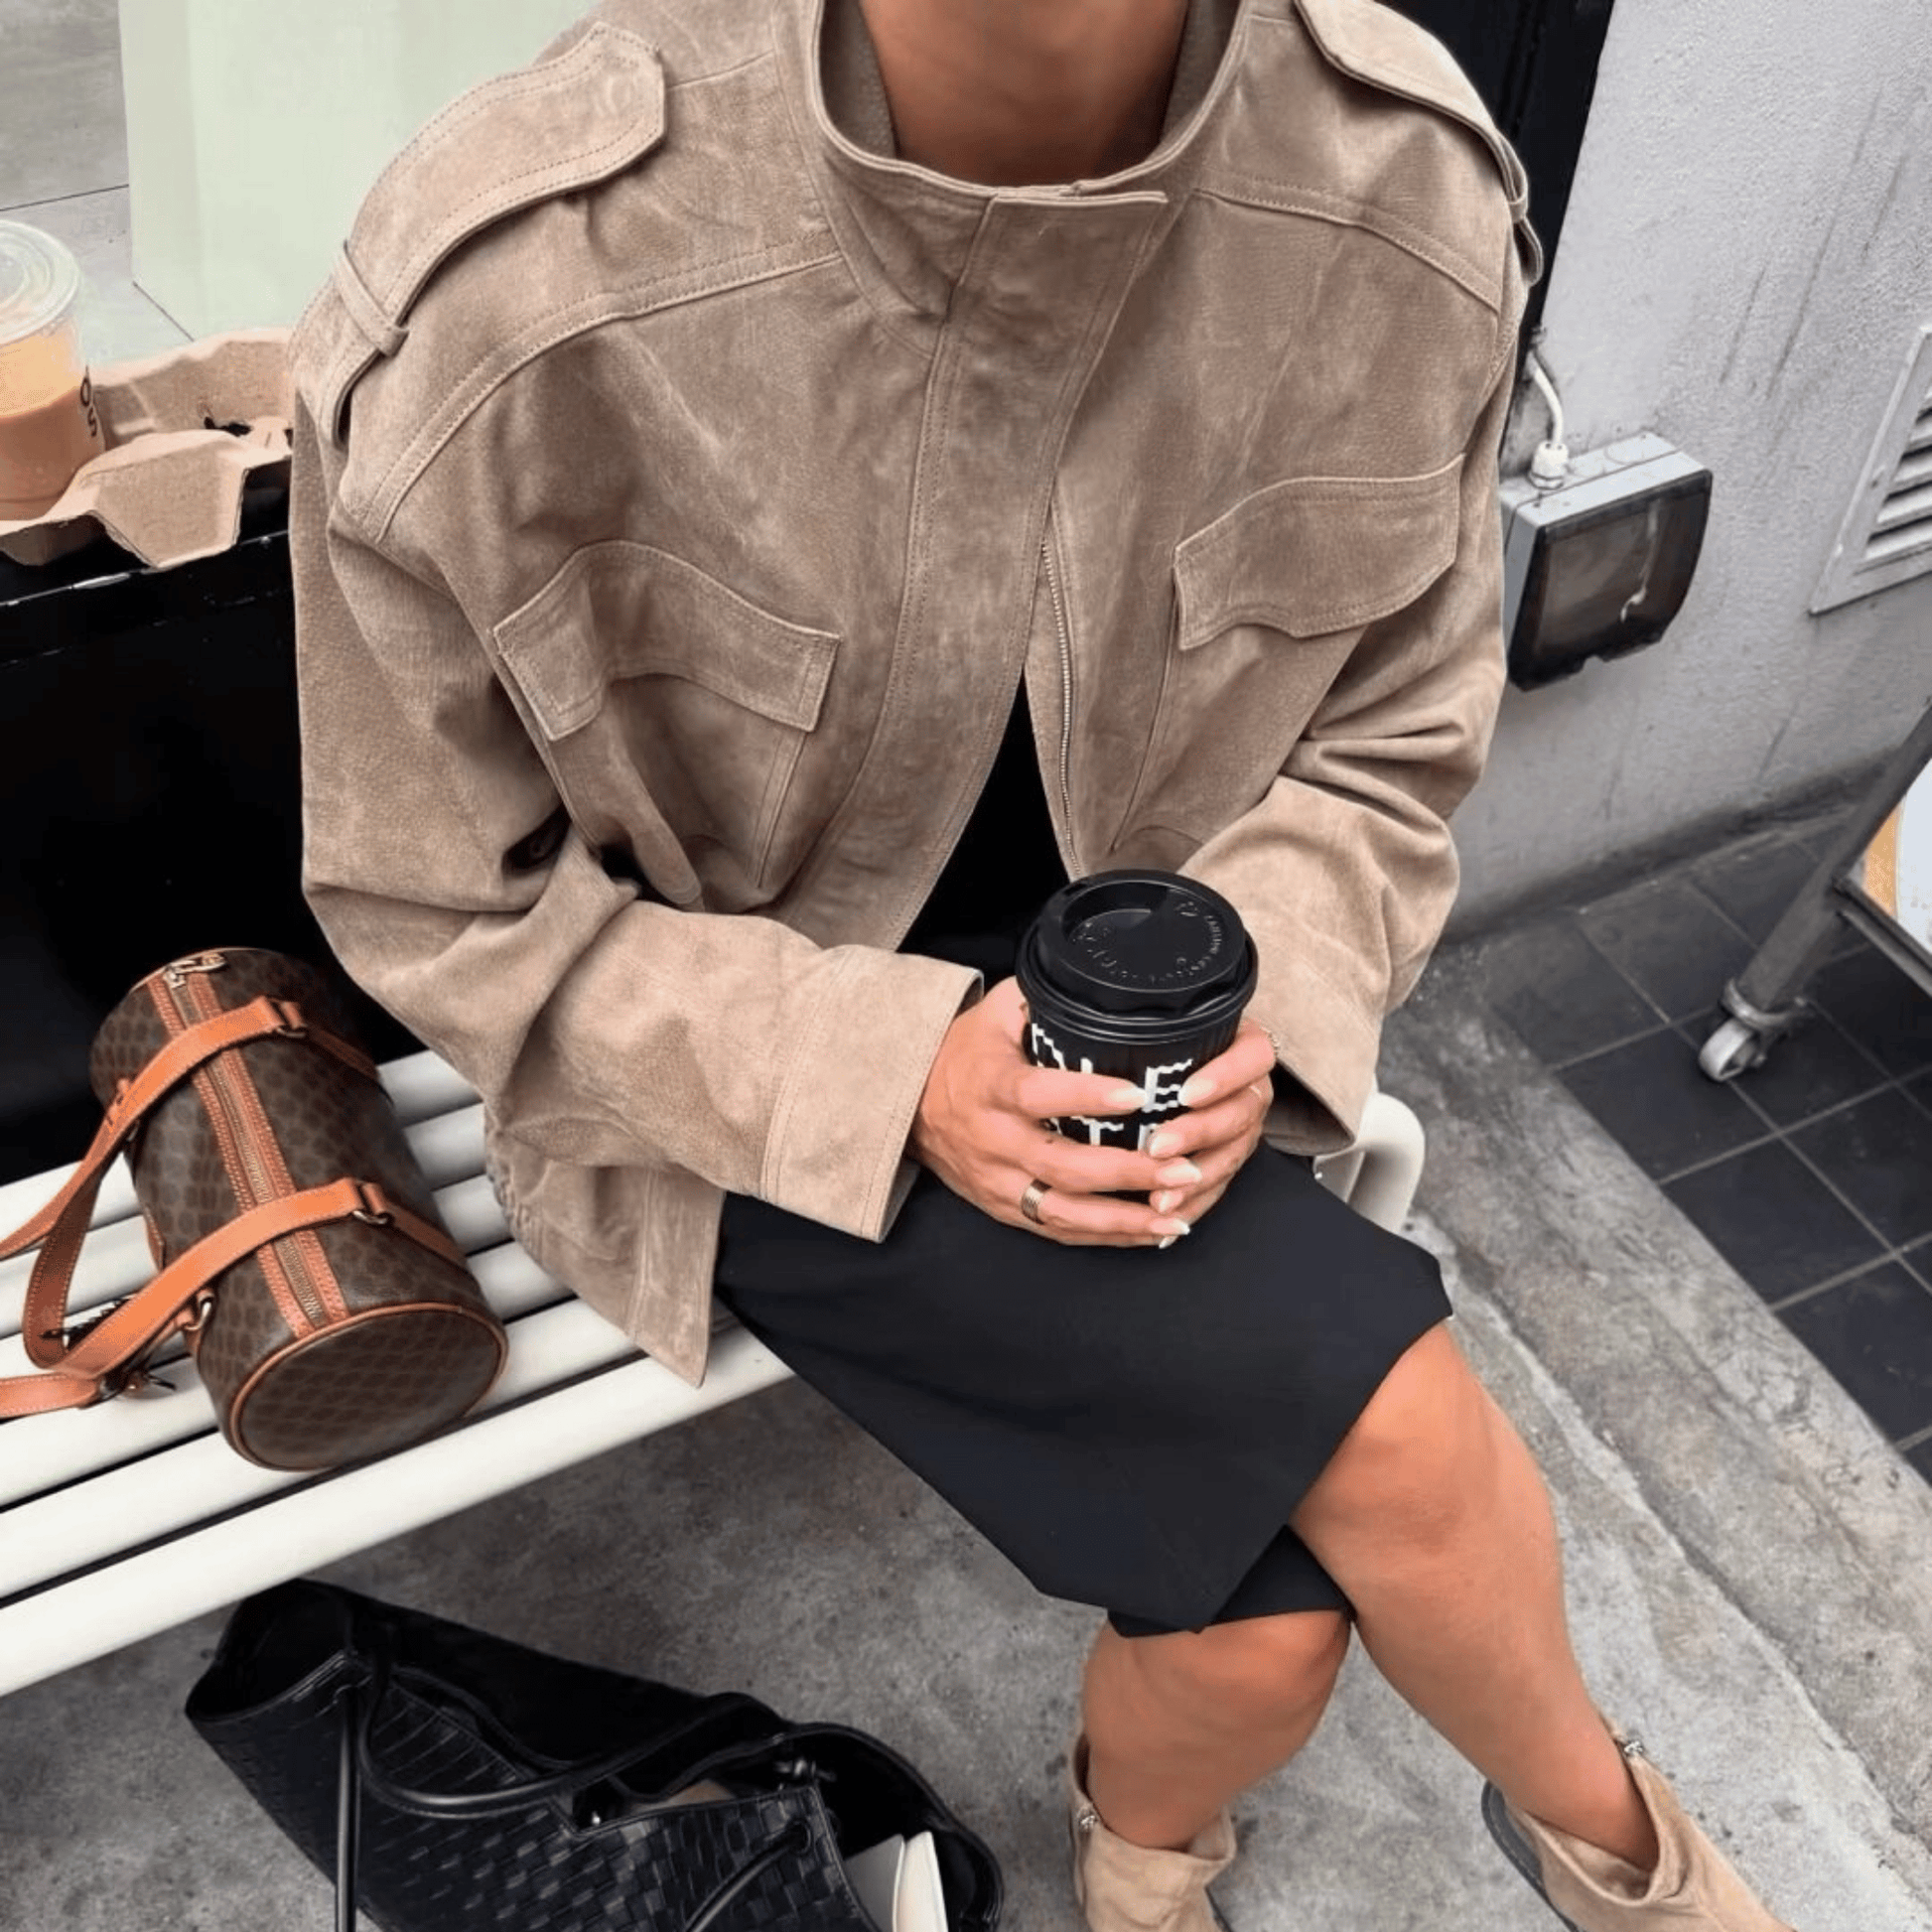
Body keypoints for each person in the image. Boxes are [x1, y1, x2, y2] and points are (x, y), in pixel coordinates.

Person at [288, 1, 1791, 1927]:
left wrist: (1264, 992)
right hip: (720, 1079)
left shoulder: (1398, 190)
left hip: (1156, 1027)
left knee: (1262, 1632)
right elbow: (440, 903)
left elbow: (1389, 737)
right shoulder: (510, 279)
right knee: (1401, 1437)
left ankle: (1141, 1862)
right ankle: (1653, 1887)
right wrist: (891, 1066)